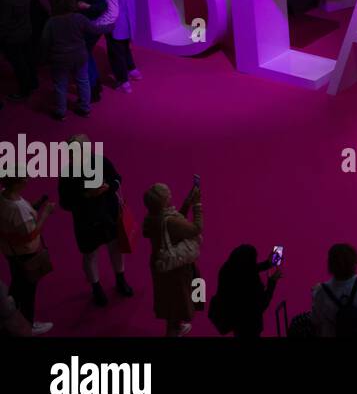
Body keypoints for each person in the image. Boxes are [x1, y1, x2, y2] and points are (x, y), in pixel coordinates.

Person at [57, 136, 132, 307]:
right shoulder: (67, 174)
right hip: (86, 220)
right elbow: (64, 202)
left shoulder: (101, 161)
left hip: (108, 215)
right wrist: (86, 196)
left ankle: (120, 279)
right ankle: (96, 288)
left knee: (115, 247)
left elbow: (117, 178)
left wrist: (109, 187)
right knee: (90, 254)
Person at [141, 181, 203, 337]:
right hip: (175, 268)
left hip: (160, 263)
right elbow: (195, 229)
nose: (171, 196)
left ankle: (174, 326)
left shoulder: (152, 218)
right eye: (168, 195)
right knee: (178, 299)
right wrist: (197, 205)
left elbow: (176, 222)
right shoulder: (170, 221)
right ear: (163, 203)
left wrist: (187, 202)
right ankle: (173, 331)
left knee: (169, 300)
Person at [0, 176, 55, 333]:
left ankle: (8, 315)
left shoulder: (3, 195)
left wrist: (33, 206)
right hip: (26, 253)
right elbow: (30, 234)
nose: (27, 180)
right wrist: (45, 213)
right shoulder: (18, 209)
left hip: (10, 251)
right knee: (28, 290)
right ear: (16, 182)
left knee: (17, 283)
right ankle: (28, 324)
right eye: (24, 178)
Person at [42, 0, 101, 118]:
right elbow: (94, 30)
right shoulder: (79, 18)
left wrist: (46, 55)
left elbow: (45, 41)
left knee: (60, 84)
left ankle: (61, 112)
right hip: (79, 55)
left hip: (59, 58)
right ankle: (85, 108)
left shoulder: (52, 22)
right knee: (83, 81)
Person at [210, 245, 281, 338]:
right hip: (251, 327)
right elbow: (262, 304)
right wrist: (272, 282)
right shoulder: (249, 282)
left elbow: (247, 268)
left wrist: (267, 264)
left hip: (236, 323)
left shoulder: (228, 270)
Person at [94, 0, 140, 92]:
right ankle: (133, 71)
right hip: (127, 26)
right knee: (125, 50)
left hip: (115, 28)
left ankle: (123, 83)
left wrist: (98, 23)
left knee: (116, 54)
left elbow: (112, 13)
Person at [0, 0, 38, 101]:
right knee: (28, 58)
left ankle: (24, 90)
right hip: (26, 30)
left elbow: (3, 22)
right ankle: (33, 83)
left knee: (19, 64)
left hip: (12, 37)